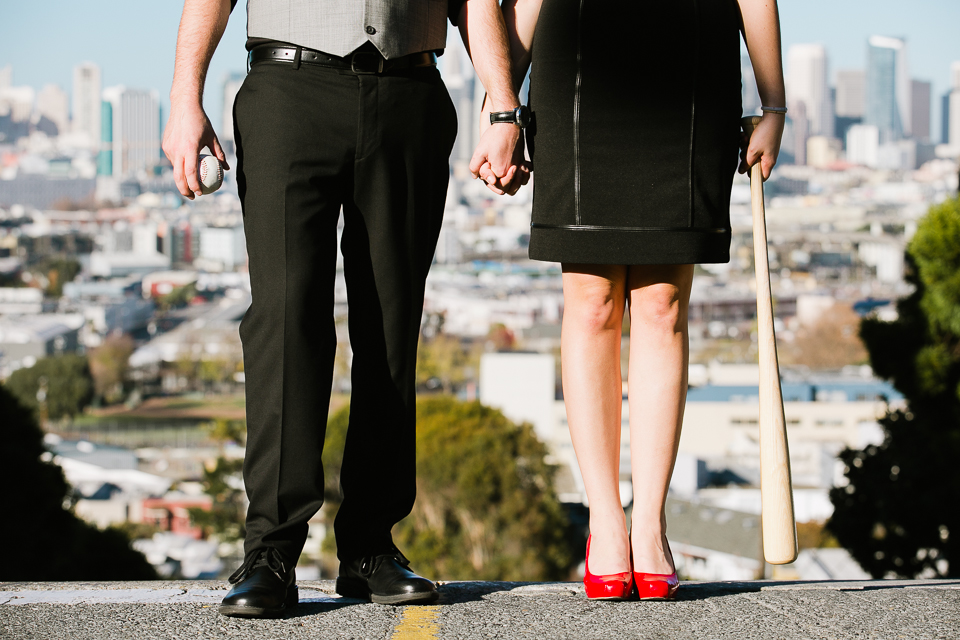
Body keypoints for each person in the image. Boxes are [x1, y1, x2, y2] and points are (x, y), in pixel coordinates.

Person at [163, 0, 524, 618]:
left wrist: (502, 104)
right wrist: (183, 98)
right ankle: (270, 553)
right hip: (286, 92)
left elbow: (475, 2)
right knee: (285, 321)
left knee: (390, 323)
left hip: (410, 93)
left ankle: (370, 549)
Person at [486, 0, 786, 599]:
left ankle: (650, 522)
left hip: (691, 70)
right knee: (592, 301)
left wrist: (773, 103)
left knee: (662, 303)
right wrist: (502, 109)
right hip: (576, 65)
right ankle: (605, 520)